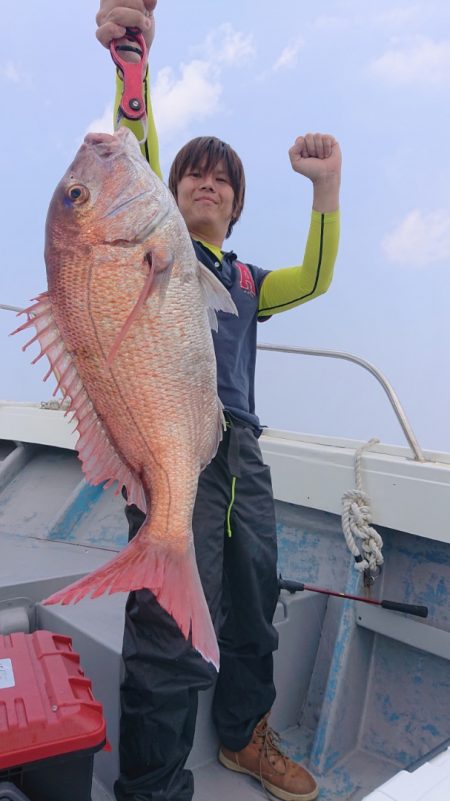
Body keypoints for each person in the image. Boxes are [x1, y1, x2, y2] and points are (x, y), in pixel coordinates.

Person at [96, 3, 341, 800]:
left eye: (224, 178)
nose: (208, 181)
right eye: (194, 172)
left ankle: (243, 734)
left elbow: (316, 279)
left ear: (236, 205)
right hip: (173, 446)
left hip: (243, 453)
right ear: (168, 193)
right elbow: (129, 155)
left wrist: (326, 190)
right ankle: (154, 785)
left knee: (253, 597)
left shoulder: (247, 281)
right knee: (167, 622)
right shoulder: (154, 245)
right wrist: (134, 62)